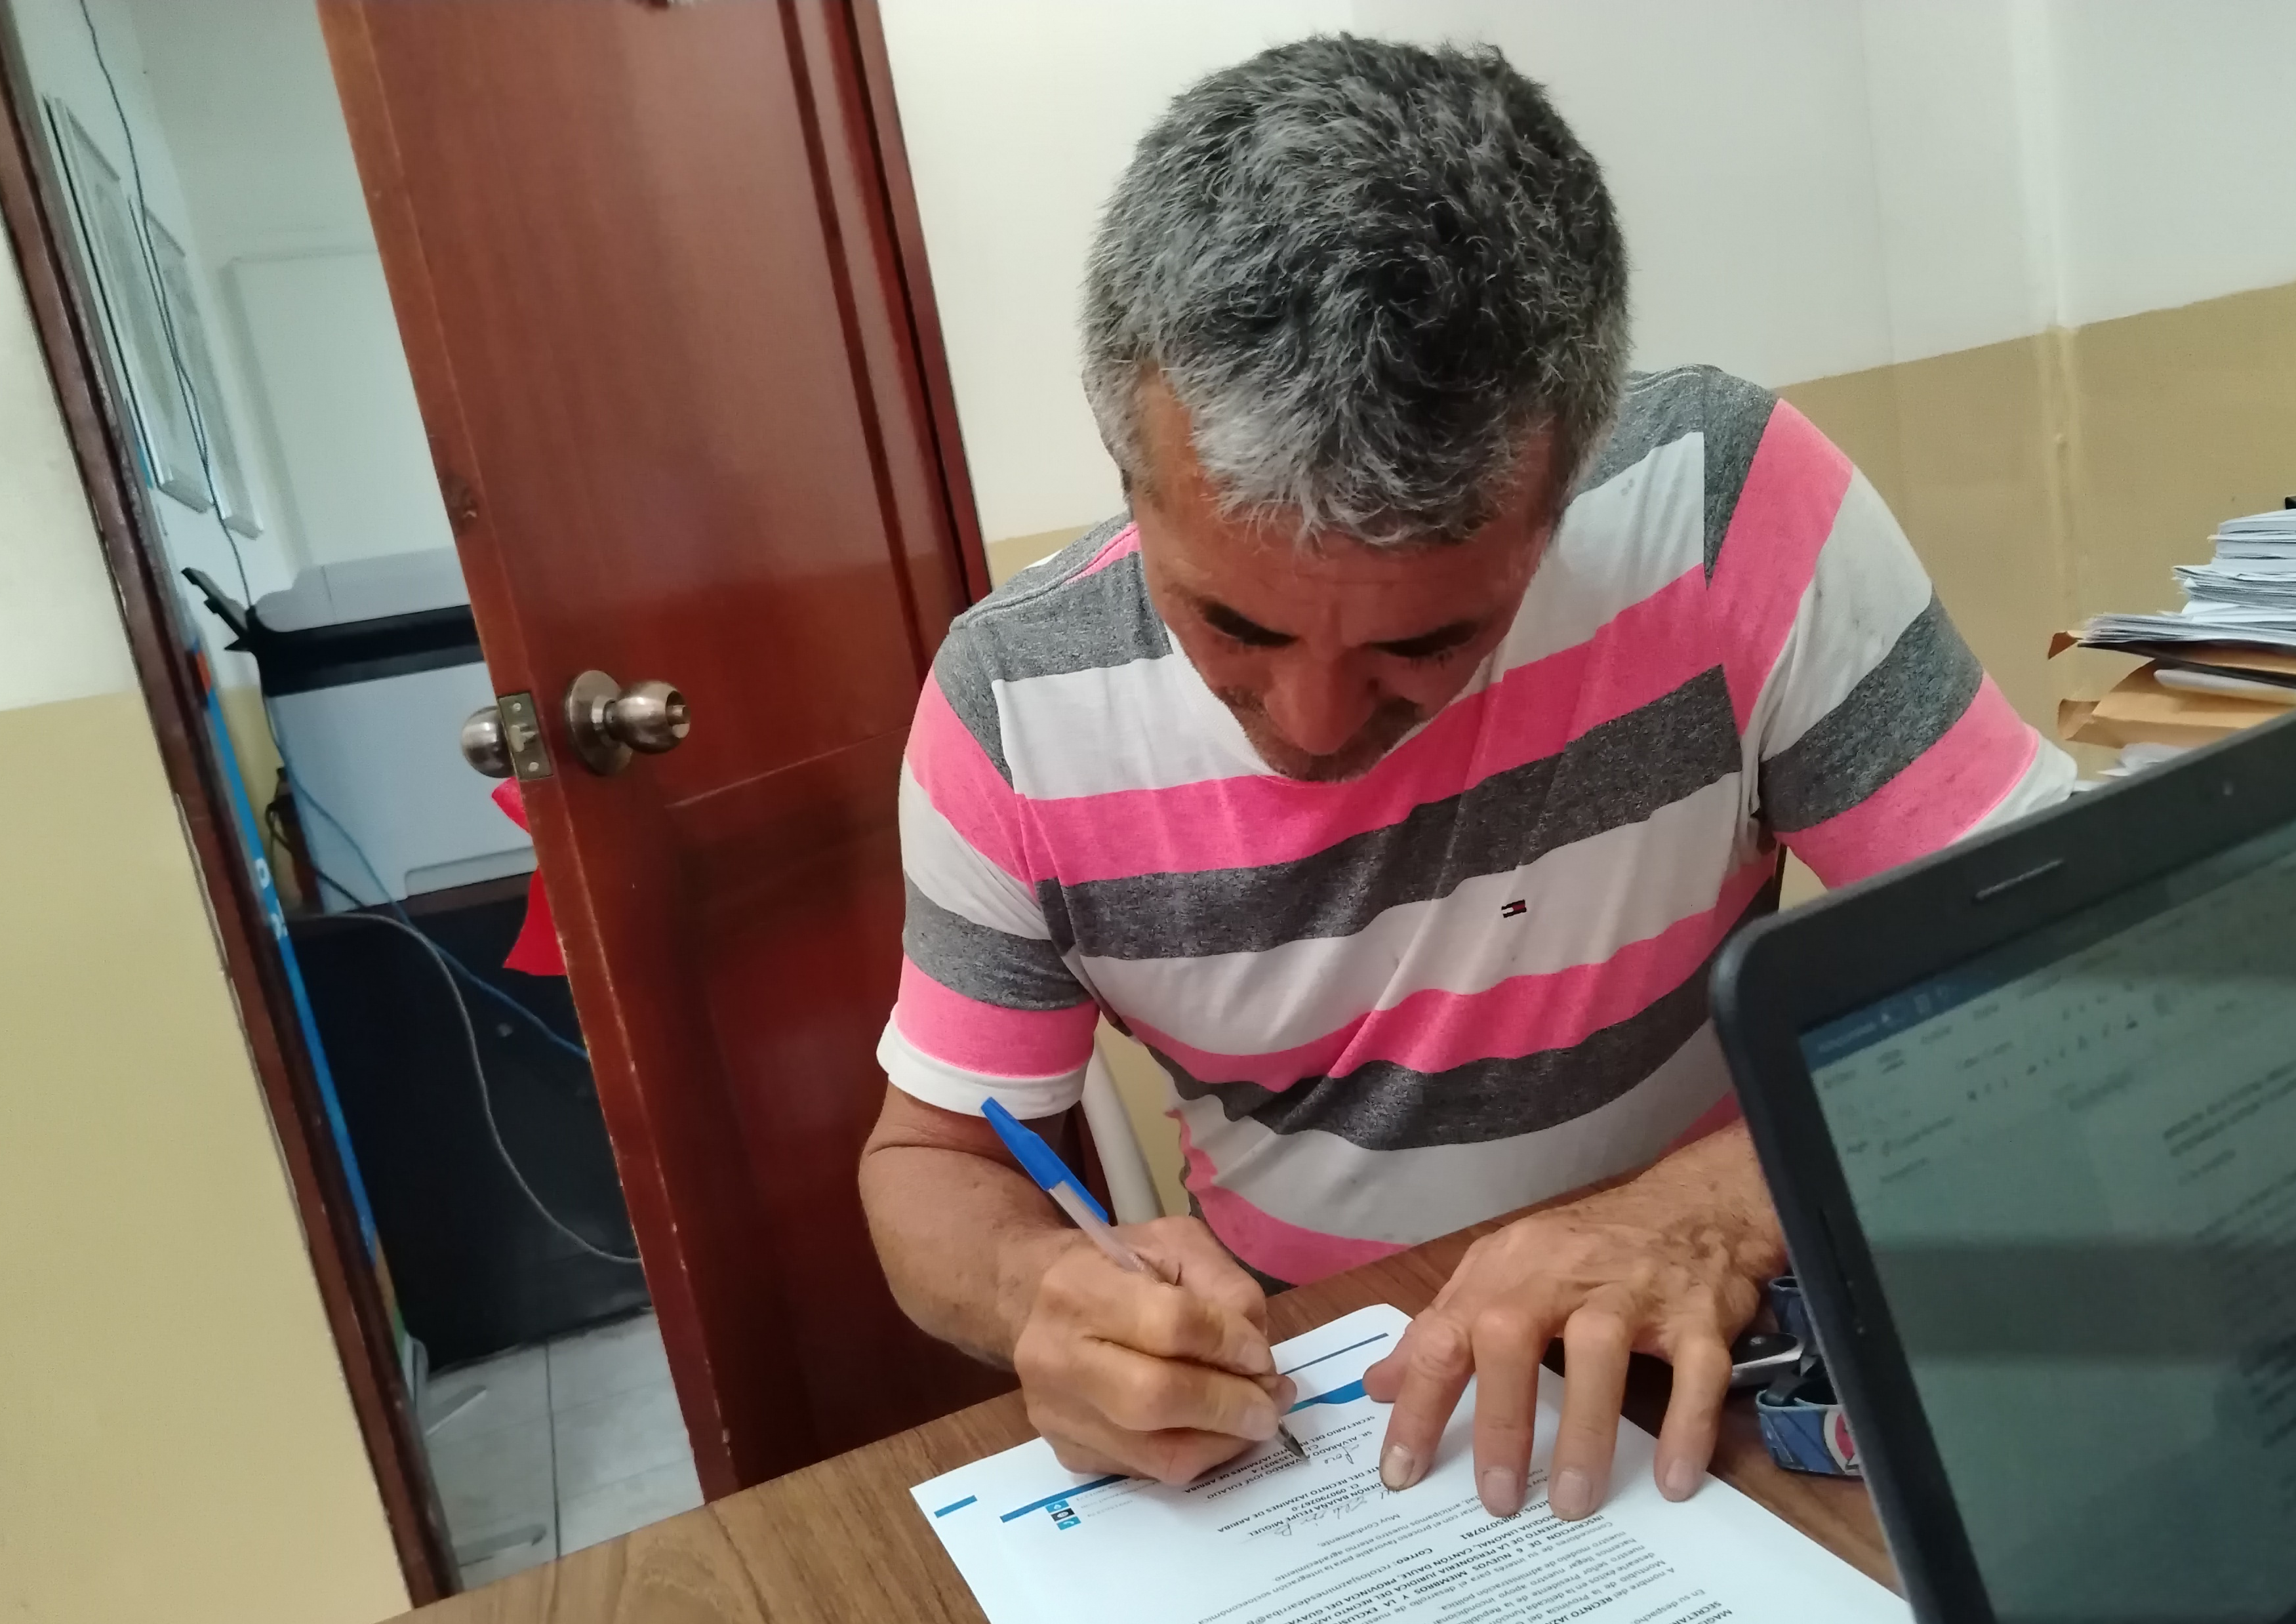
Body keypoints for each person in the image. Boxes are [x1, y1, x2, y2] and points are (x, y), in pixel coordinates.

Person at [858, 35, 2073, 1524]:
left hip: (1729, 1335)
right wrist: (1031, 1288)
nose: (1311, 723)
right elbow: (928, 1158)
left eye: (1425, 641)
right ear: (1129, 477)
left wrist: (1715, 1209)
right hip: (1325, 1405)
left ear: (1564, 498)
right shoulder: (1012, 710)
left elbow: (2050, 953)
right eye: (1233, 625)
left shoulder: (1718, 511)